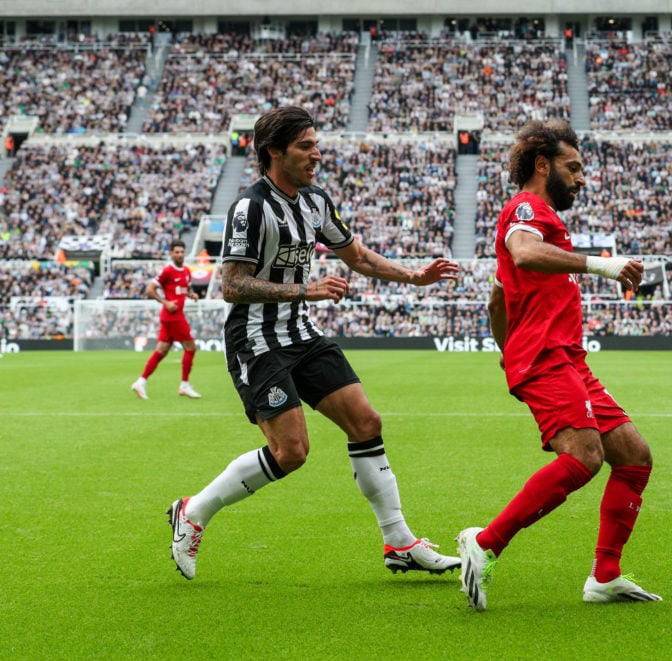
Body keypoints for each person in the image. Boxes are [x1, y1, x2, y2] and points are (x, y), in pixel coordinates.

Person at [167, 106, 461, 580]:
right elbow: (233, 285)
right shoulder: (250, 207)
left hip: (302, 333)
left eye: (315, 144)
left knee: (366, 421)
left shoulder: (315, 201)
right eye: (305, 146)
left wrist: (414, 276)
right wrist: (306, 288)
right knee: (292, 453)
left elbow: (357, 256)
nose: (316, 154)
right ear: (274, 153)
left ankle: (399, 542)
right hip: (257, 339)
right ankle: (194, 510)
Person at [456, 119, 661, 611]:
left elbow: (497, 302)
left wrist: (511, 355)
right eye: (574, 168)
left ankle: (605, 576)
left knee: (633, 457)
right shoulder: (526, 209)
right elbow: (524, 255)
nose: (582, 178)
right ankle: (484, 545)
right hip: (547, 359)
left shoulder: (546, 222)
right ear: (543, 165)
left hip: (565, 359)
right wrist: (601, 264)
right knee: (585, 457)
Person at [131, 240, 202, 400]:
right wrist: (166, 302)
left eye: (181, 252)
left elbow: (187, 288)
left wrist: (192, 294)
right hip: (173, 316)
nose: (179, 254)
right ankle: (184, 385)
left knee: (162, 350)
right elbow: (150, 289)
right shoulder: (167, 271)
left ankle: (140, 382)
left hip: (171, 317)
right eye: (176, 252)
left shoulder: (186, 271)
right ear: (171, 253)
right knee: (191, 347)